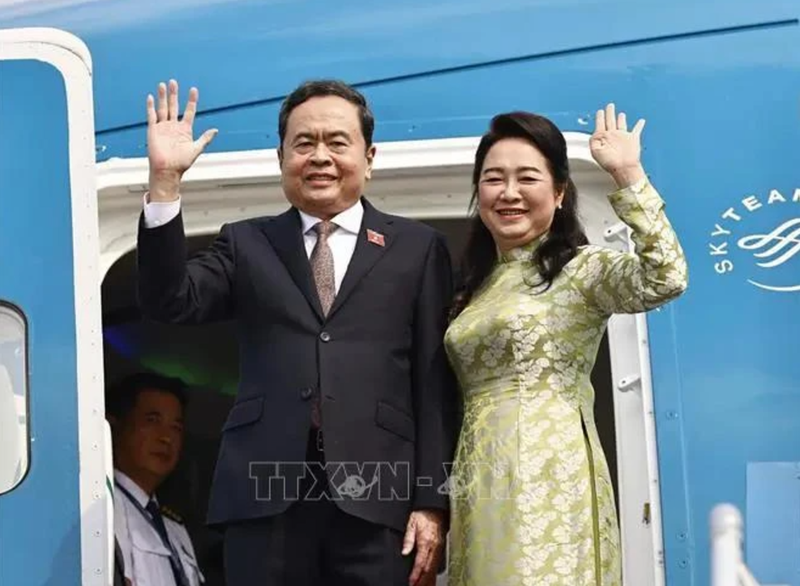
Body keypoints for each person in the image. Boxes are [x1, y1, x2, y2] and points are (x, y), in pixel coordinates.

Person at [135, 79, 458, 586]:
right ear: (280, 156)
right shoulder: (247, 243)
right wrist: (165, 183)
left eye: (337, 142)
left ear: (368, 157)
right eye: (304, 143)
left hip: (379, 507)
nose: (320, 156)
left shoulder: (418, 248)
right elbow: (170, 300)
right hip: (264, 505)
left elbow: (434, 385)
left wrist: (432, 503)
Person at [443, 104, 688, 585]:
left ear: (558, 194)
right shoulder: (476, 285)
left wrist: (627, 174)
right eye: (494, 179)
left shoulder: (581, 270)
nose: (509, 192)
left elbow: (667, 277)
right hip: (478, 472)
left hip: (549, 472)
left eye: (527, 178)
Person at [107, 372, 205, 586]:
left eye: (176, 427)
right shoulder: (102, 509)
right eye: (152, 421)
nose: (166, 437)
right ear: (114, 428)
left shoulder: (175, 529)